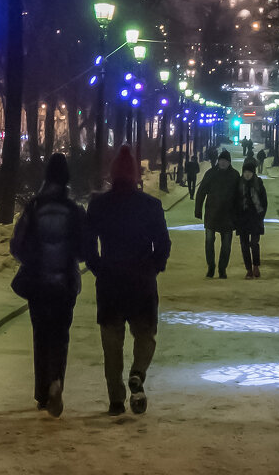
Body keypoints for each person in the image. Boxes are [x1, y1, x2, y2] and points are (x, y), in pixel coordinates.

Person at [86, 145, 171, 416]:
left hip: (110, 283)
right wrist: (154, 266)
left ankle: (115, 400)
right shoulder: (150, 206)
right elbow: (163, 243)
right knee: (145, 336)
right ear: (136, 176)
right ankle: (138, 372)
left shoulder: (98, 205)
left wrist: (98, 267)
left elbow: (87, 244)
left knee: (111, 345)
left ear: (112, 175)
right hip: (141, 283)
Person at [9, 153, 86, 418]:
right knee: (60, 337)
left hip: (39, 285)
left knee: (41, 337)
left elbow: (17, 245)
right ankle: (57, 381)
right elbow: (84, 249)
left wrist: (34, 259)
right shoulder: (73, 210)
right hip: (65, 284)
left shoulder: (33, 207)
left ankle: (42, 394)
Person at [195, 149, 239, 278]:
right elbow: (202, 191)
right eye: (221, 160)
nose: (223, 163)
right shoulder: (211, 174)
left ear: (229, 162)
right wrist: (198, 209)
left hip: (228, 215)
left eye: (225, 161)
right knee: (209, 242)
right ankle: (211, 267)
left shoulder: (234, 175)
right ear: (218, 161)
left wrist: (239, 213)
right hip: (212, 213)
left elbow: (239, 196)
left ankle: (222, 268)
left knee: (226, 246)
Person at [234, 157, 268, 279]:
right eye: (245, 172)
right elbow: (235, 201)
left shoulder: (258, 183)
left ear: (253, 173)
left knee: (254, 243)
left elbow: (264, 201)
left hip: (255, 219)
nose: (247, 174)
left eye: (249, 172)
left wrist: (261, 216)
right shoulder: (239, 184)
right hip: (242, 219)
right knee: (244, 245)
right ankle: (248, 269)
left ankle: (256, 266)